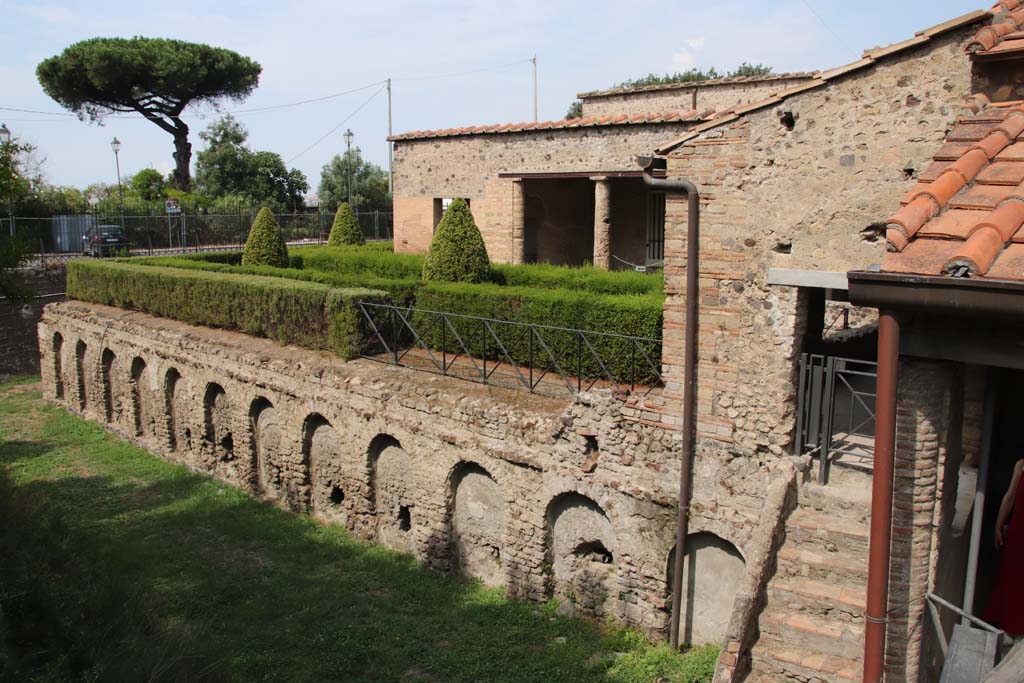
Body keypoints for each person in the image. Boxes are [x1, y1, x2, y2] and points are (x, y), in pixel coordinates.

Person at [983, 459, 1024, 637]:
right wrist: (998, 526)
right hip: (1018, 534)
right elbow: (1009, 497)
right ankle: (1007, 628)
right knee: (1010, 580)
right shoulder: (1021, 465)